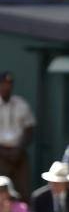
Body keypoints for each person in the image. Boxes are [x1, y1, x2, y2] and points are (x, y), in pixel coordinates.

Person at [0, 72, 36, 201]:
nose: (6, 87)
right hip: (0, 153)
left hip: (19, 153)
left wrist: (19, 149)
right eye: (3, 84)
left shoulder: (21, 104)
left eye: (9, 84)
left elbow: (30, 129)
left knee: (23, 192)